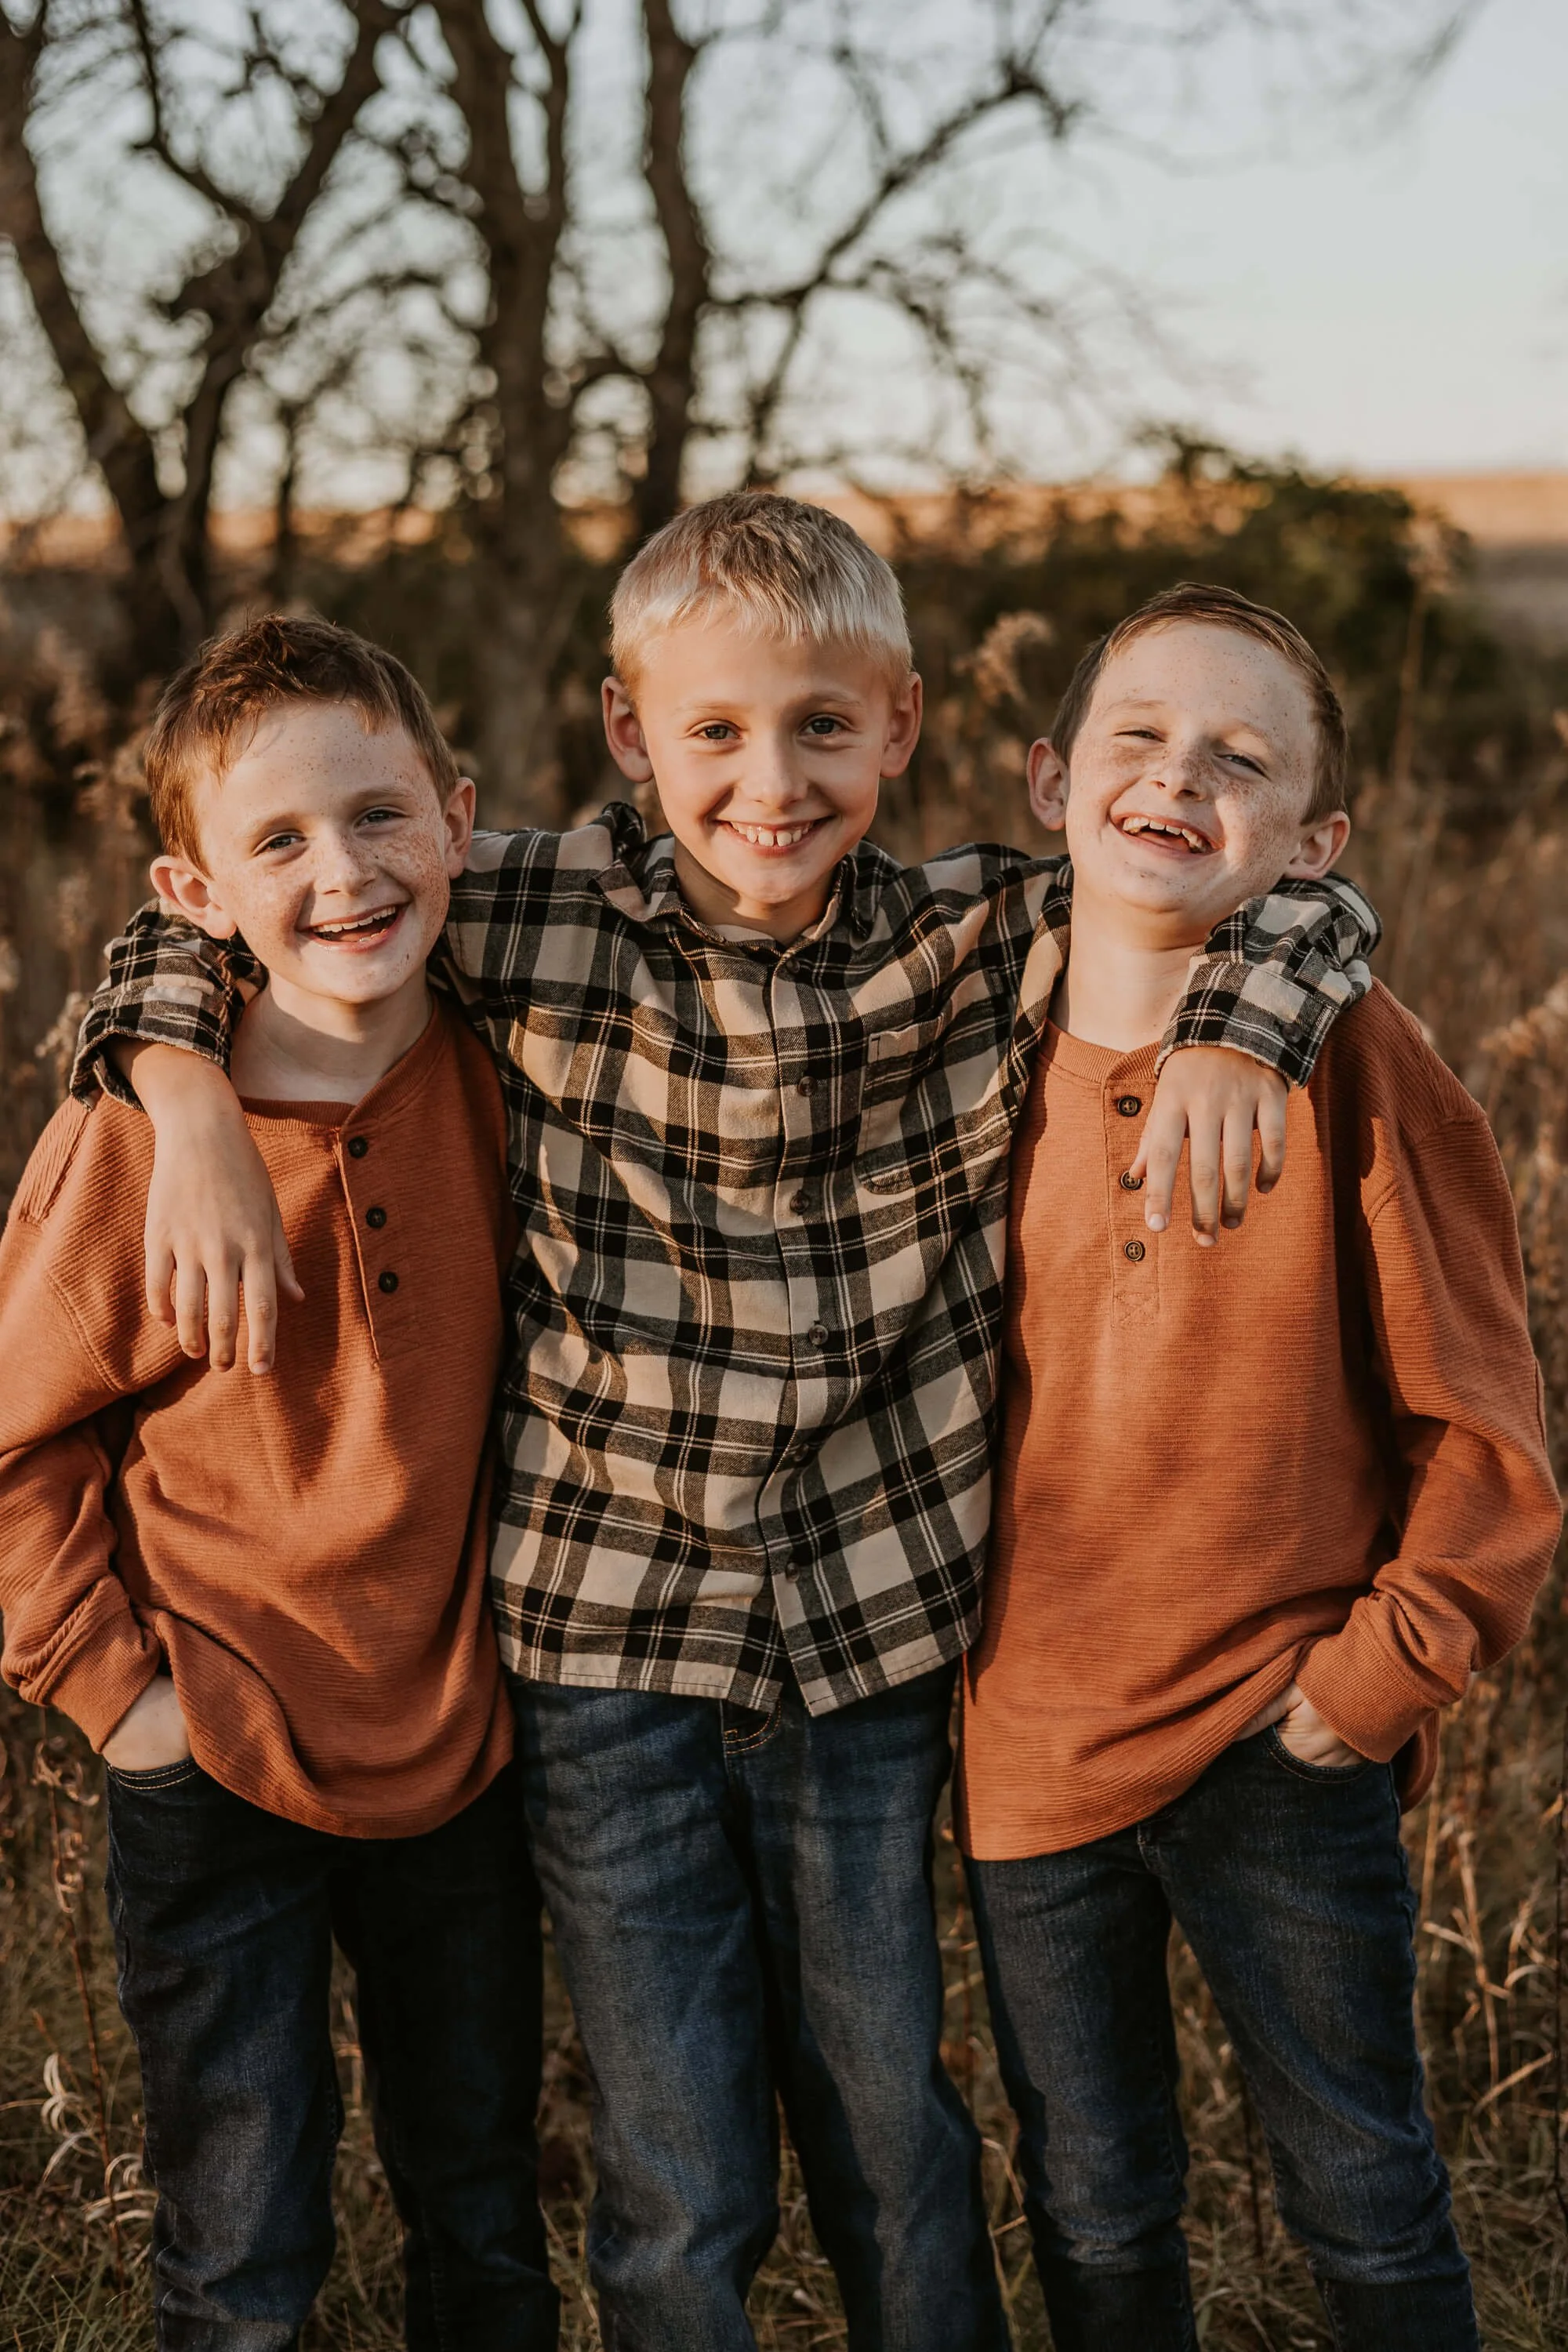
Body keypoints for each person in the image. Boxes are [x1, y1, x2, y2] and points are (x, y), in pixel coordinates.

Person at [70, 499, 1381, 2352]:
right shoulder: (514, 911)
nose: (771, 780)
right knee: (678, 2174)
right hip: (605, 1656)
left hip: (866, 1653)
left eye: (824, 730)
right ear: (629, 735)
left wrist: (1244, 1031)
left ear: (905, 730)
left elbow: (1296, 894)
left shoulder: (979, 939)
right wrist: (182, 1086)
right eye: (713, 732)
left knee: (892, 2137)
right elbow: (218, 907)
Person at [958, 581, 1562, 2352]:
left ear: (1315, 839)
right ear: (1048, 775)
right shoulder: (961, 1038)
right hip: (1030, 1745)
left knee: (1363, 2196)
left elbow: (1488, 1427)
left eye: (1239, 757)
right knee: (1091, 2203)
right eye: (1137, 738)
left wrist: (1364, 1690)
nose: (1177, 776)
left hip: (1277, 1739)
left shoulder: (1359, 1063)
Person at [0, 619, 559, 2351]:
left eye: (382, 816)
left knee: (483, 2204)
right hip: (214, 1750)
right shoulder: (138, 1137)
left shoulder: (508, 1062)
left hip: (456, 1748)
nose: (344, 873)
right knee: (242, 2241)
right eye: (281, 842)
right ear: (192, 886)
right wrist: (123, 1697)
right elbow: (13, 1440)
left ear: (460, 819)